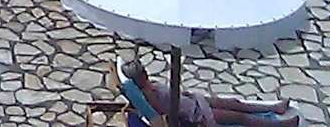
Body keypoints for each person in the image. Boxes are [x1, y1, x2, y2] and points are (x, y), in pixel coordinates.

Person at [121, 57, 297, 127]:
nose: (146, 72)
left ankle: (275, 107)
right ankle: (281, 125)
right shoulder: (149, 96)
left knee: (235, 103)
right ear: (138, 78)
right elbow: (168, 115)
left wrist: (185, 94)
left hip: (194, 101)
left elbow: (174, 98)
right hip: (197, 114)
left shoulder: (150, 85)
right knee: (239, 118)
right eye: (142, 72)